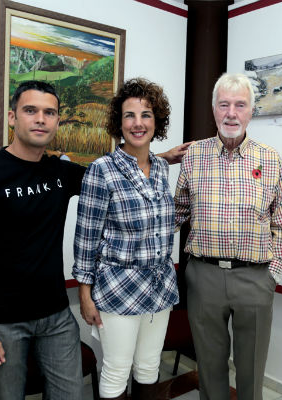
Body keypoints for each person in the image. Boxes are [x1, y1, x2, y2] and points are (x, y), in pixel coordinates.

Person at [0, 80, 189, 400]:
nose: (40, 119)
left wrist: (162, 156)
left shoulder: (61, 172)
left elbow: (122, 174)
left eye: (49, 112)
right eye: (30, 111)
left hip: (56, 315)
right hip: (2, 321)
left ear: (58, 121)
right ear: (12, 117)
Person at [173, 73, 282, 400]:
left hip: (255, 279)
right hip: (204, 277)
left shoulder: (269, 159)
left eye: (240, 105)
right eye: (224, 104)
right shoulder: (194, 156)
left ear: (252, 111)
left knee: (251, 371)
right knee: (209, 369)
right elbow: (177, 211)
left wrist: (272, 275)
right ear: (213, 110)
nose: (231, 113)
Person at [73, 78, 180, 400]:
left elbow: (161, 225)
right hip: (118, 286)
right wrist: (84, 293)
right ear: (119, 124)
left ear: (156, 121)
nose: (138, 123)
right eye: (130, 116)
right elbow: (86, 237)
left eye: (146, 114)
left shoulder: (162, 168)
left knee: (149, 366)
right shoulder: (101, 170)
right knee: (117, 370)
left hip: (160, 285)